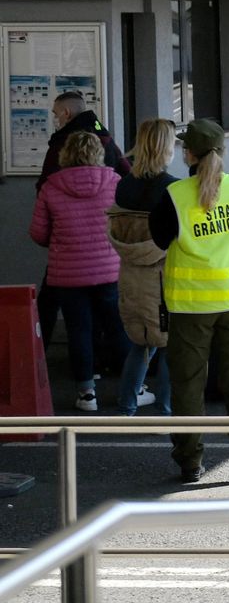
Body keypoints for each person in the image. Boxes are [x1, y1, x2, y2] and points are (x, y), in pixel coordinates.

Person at [150, 119, 229, 484]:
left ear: (189, 154)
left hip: (189, 308)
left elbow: (158, 239)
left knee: (188, 385)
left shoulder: (175, 195)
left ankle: (190, 463)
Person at [28, 131, 129, 411]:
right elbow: (124, 226)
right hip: (108, 270)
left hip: (68, 273)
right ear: (98, 153)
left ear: (65, 154)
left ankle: (87, 393)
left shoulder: (51, 187)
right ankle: (133, 386)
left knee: (79, 330)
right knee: (116, 326)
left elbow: (38, 233)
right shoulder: (114, 182)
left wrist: (61, 240)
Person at [36, 90, 133, 353]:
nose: (55, 119)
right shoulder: (105, 137)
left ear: (66, 113)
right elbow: (128, 176)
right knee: (112, 316)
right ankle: (125, 375)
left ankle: (43, 359)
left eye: (56, 114)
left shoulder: (60, 145)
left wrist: (56, 237)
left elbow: (39, 222)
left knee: (70, 318)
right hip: (105, 253)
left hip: (67, 254)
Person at [107, 118, 179, 416]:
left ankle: (127, 405)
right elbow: (177, 236)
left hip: (129, 274)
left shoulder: (124, 186)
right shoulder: (173, 189)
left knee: (140, 342)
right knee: (169, 344)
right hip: (161, 277)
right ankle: (165, 408)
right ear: (165, 147)